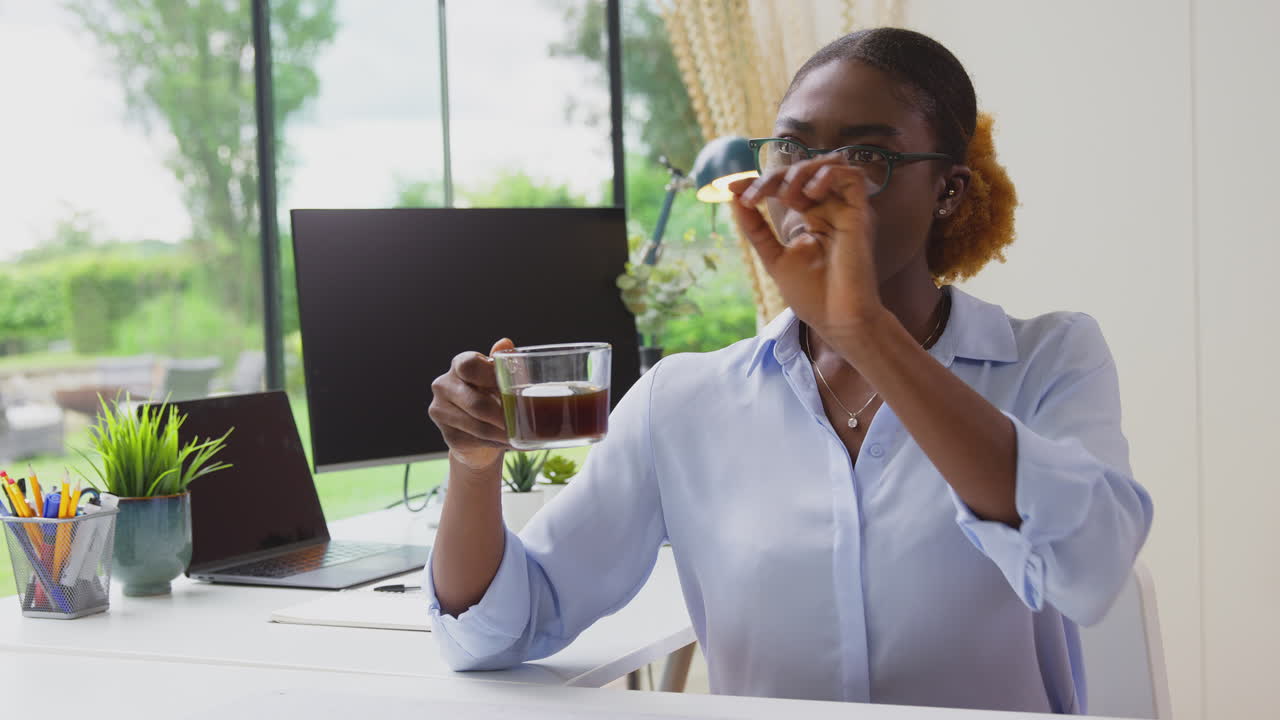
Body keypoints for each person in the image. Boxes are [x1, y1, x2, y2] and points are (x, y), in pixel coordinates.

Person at [423, 27, 1152, 714]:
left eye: (864, 156)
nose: (812, 185)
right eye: (793, 150)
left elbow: (1089, 567)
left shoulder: (1050, 360)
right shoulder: (682, 402)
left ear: (948, 190)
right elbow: (493, 633)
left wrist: (865, 331)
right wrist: (475, 465)